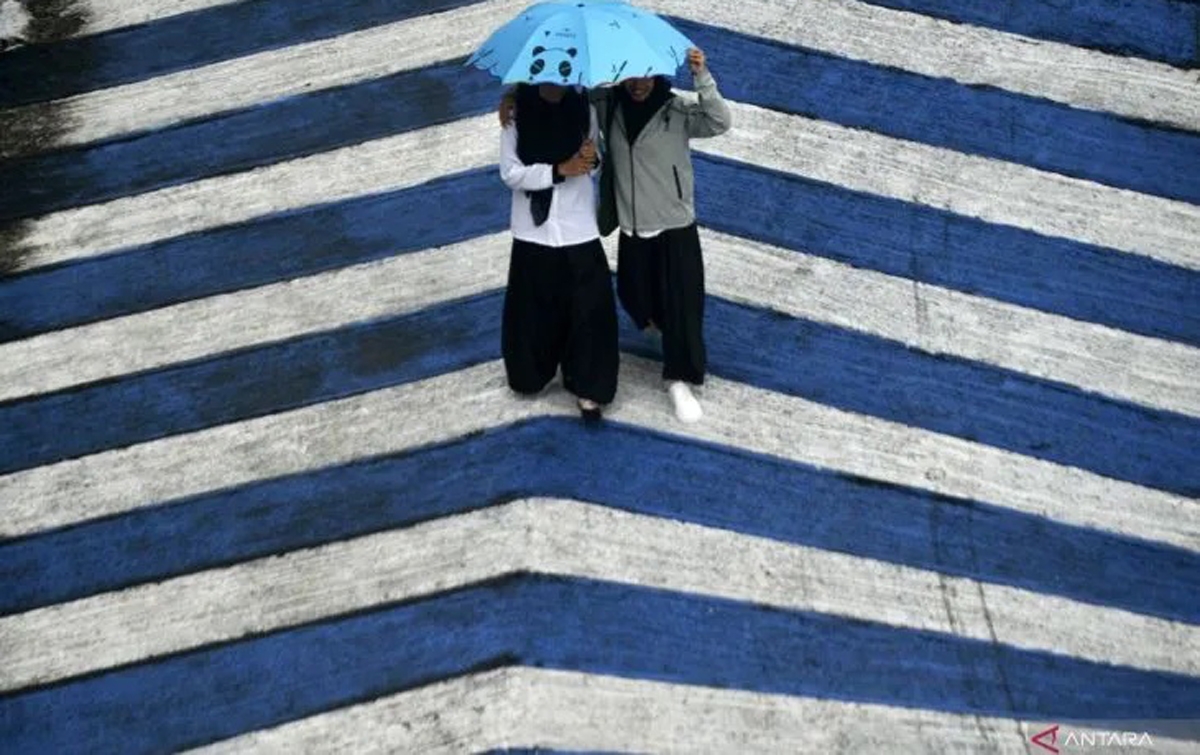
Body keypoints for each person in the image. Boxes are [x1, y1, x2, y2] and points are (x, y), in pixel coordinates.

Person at [502, 48, 731, 423]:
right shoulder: (606, 107)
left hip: (673, 224)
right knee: (633, 295)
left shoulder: (676, 111)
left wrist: (702, 76)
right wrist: (511, 96)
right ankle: (655, 329)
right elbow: (556, 102)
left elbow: (719, 121)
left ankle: (679, 378)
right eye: (631, 75)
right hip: (629, 226)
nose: (639, 84)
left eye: (647, 75)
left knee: (682, 307)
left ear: (659, 75)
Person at [498, 82, 619, 422]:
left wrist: (590, 159)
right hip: (533, 232)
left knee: (590, 310)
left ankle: (589, 387)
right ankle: (532, 372)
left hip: (578, 226)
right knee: (534, 310)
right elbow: (510, 173)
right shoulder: (514, 115)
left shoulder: (584, 109)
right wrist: (557, 171)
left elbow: (594, 163)